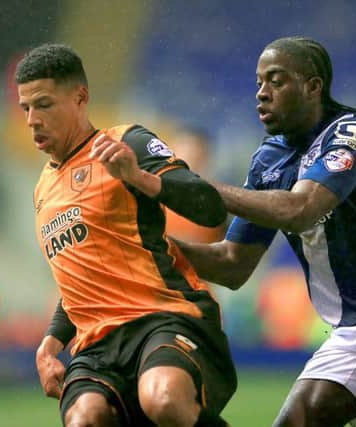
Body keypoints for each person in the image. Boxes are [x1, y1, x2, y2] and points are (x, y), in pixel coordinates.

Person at [172, 36, 356, 427]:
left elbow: (301, 209)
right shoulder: (268, 161)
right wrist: (151, 244)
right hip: (353, 330)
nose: (261, 94)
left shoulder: (354, 131)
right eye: (259, 82)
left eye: (276, 81)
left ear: (313, 87)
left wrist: (193, 186)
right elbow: (233, 263)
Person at [15, 43, 236, 427]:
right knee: (85, 419)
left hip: (163, 318)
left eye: (44, 104)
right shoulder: (42, 192)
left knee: (163, 398)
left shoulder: (127, 142)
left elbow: (210, 206)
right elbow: (80, 282)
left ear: (80, 97)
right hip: (96, 347)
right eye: (26, 108)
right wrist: (50, 344)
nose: (33, 119)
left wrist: (138, 178)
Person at [165, 126, 226, 244]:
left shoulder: (219, 202)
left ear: (206, 157)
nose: (190, 157)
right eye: (185, 149)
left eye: (196, 152)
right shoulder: (147, 193)